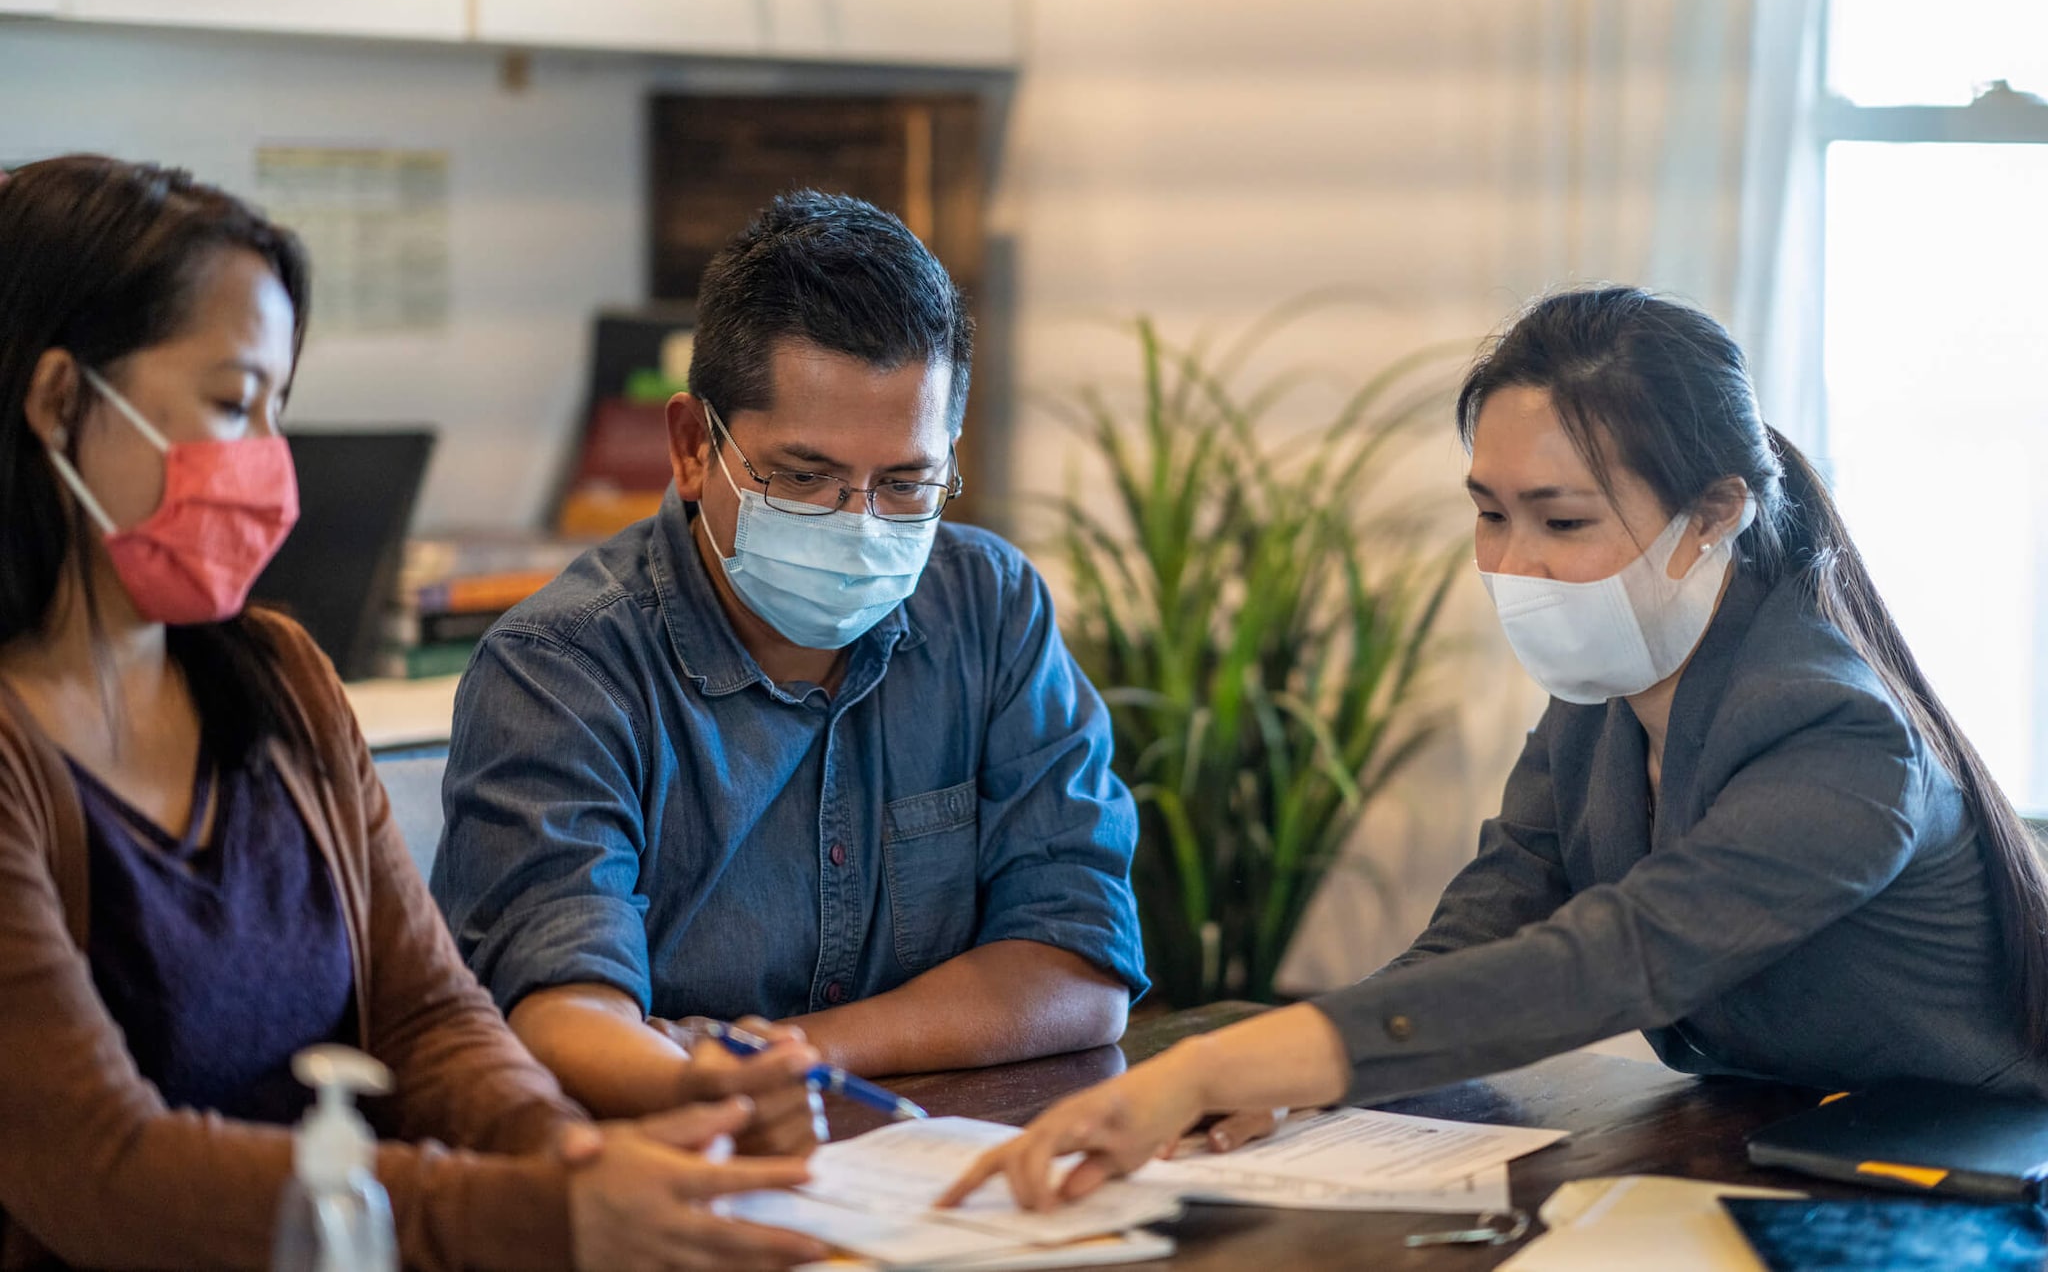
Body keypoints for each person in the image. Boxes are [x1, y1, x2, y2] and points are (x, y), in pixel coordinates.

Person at [941, 286, 2048, 1212]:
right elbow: (1491, 919)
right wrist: (1301, 1078)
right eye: (1488, 512)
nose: (1513, 564)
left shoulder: (1835, 733)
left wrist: (1218, 1062)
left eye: (1561, 522)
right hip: (1766, 1154)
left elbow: (1611, 958)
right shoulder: (1606, 689)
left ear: (1713, 512)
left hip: (1961, 1189)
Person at [0, 155, 835, 1272]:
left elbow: (429, 1022)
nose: (266, 461)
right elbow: (105, 1171)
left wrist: (572, 1161)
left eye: (277, 410)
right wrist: (545, 1213)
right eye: (229, 402)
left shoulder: (279, 678)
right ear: (59, 400)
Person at [432, 190, 1145, 1117]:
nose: (860, 524)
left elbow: (1079, 968)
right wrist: (721, 1093)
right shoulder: (562, 668)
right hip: (678, 1177)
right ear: (693, 447)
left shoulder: (989, 610)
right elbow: (560, 1013)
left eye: (905, 483)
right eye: (804, 478)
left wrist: (789, 1057)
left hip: (932, 1170)